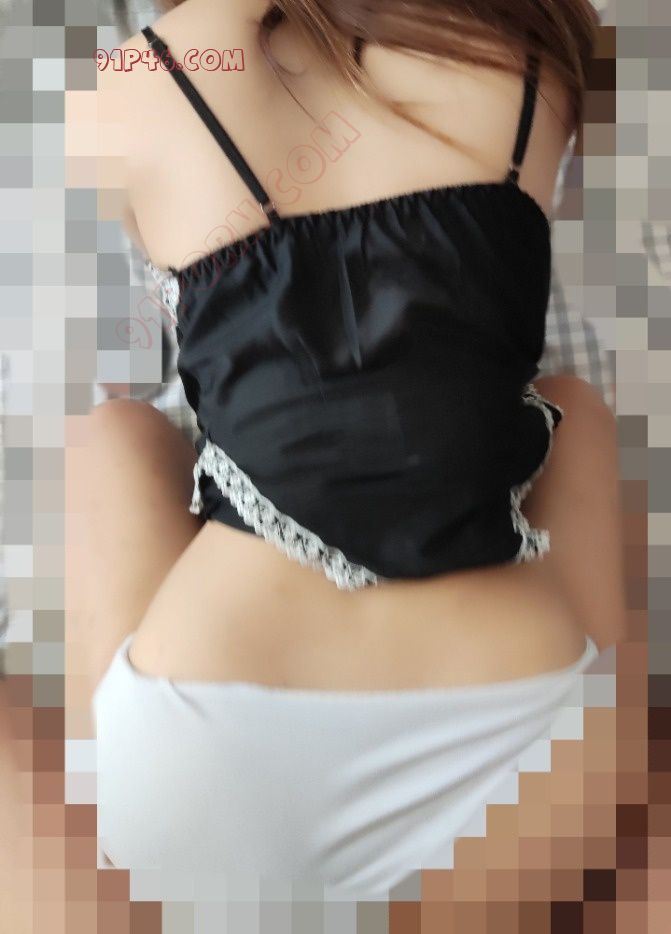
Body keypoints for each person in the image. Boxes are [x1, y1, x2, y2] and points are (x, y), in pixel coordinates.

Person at [71, 0, 627, 895]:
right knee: (574, 411)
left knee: (111, 436)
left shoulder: (137, 77)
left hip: (204, 751)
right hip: (523, 737)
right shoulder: (534, 45)